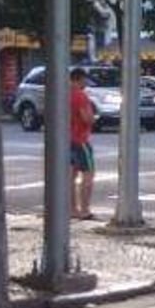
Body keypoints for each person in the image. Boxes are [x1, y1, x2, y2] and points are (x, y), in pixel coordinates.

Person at [68, 67, 97, 219]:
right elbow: (87, 118)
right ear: (79, 79)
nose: (86, 83)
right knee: (88, 174)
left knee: (70, 176)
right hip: (80, 139)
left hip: (66, 139)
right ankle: (85, 209)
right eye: (85, 80)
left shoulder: (62, 94)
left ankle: (72, 209)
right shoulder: (80, 95)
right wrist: (94, 118)